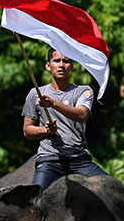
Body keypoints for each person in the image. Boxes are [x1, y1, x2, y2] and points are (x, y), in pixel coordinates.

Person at [21, 47, 109, 190]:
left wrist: (53, 103)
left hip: (79, 158)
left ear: (72, 67)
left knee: (113, 188)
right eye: (57, 61)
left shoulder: (83, 91)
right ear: (48, 66)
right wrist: (46, 130)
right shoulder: (36, 93)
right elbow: (27, 130)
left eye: (66, 61)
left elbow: (81, 115)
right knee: (35, 198)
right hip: (50, 159)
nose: (61, 65)